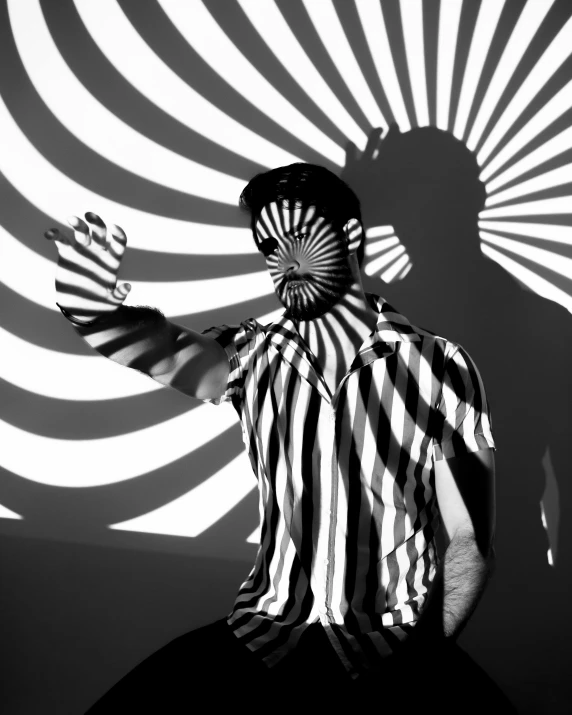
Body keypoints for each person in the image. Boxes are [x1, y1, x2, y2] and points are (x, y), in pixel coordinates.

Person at [46, 161, 516, 713]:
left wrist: (418, 668)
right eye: (269, 247)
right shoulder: (253, 354)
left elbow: (470, 541)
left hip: (397, 649)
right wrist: (95, 309)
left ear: (350, 236)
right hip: (264, 637)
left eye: (297, 239)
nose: (283, 263)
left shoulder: (441, 368)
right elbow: (167, 350)